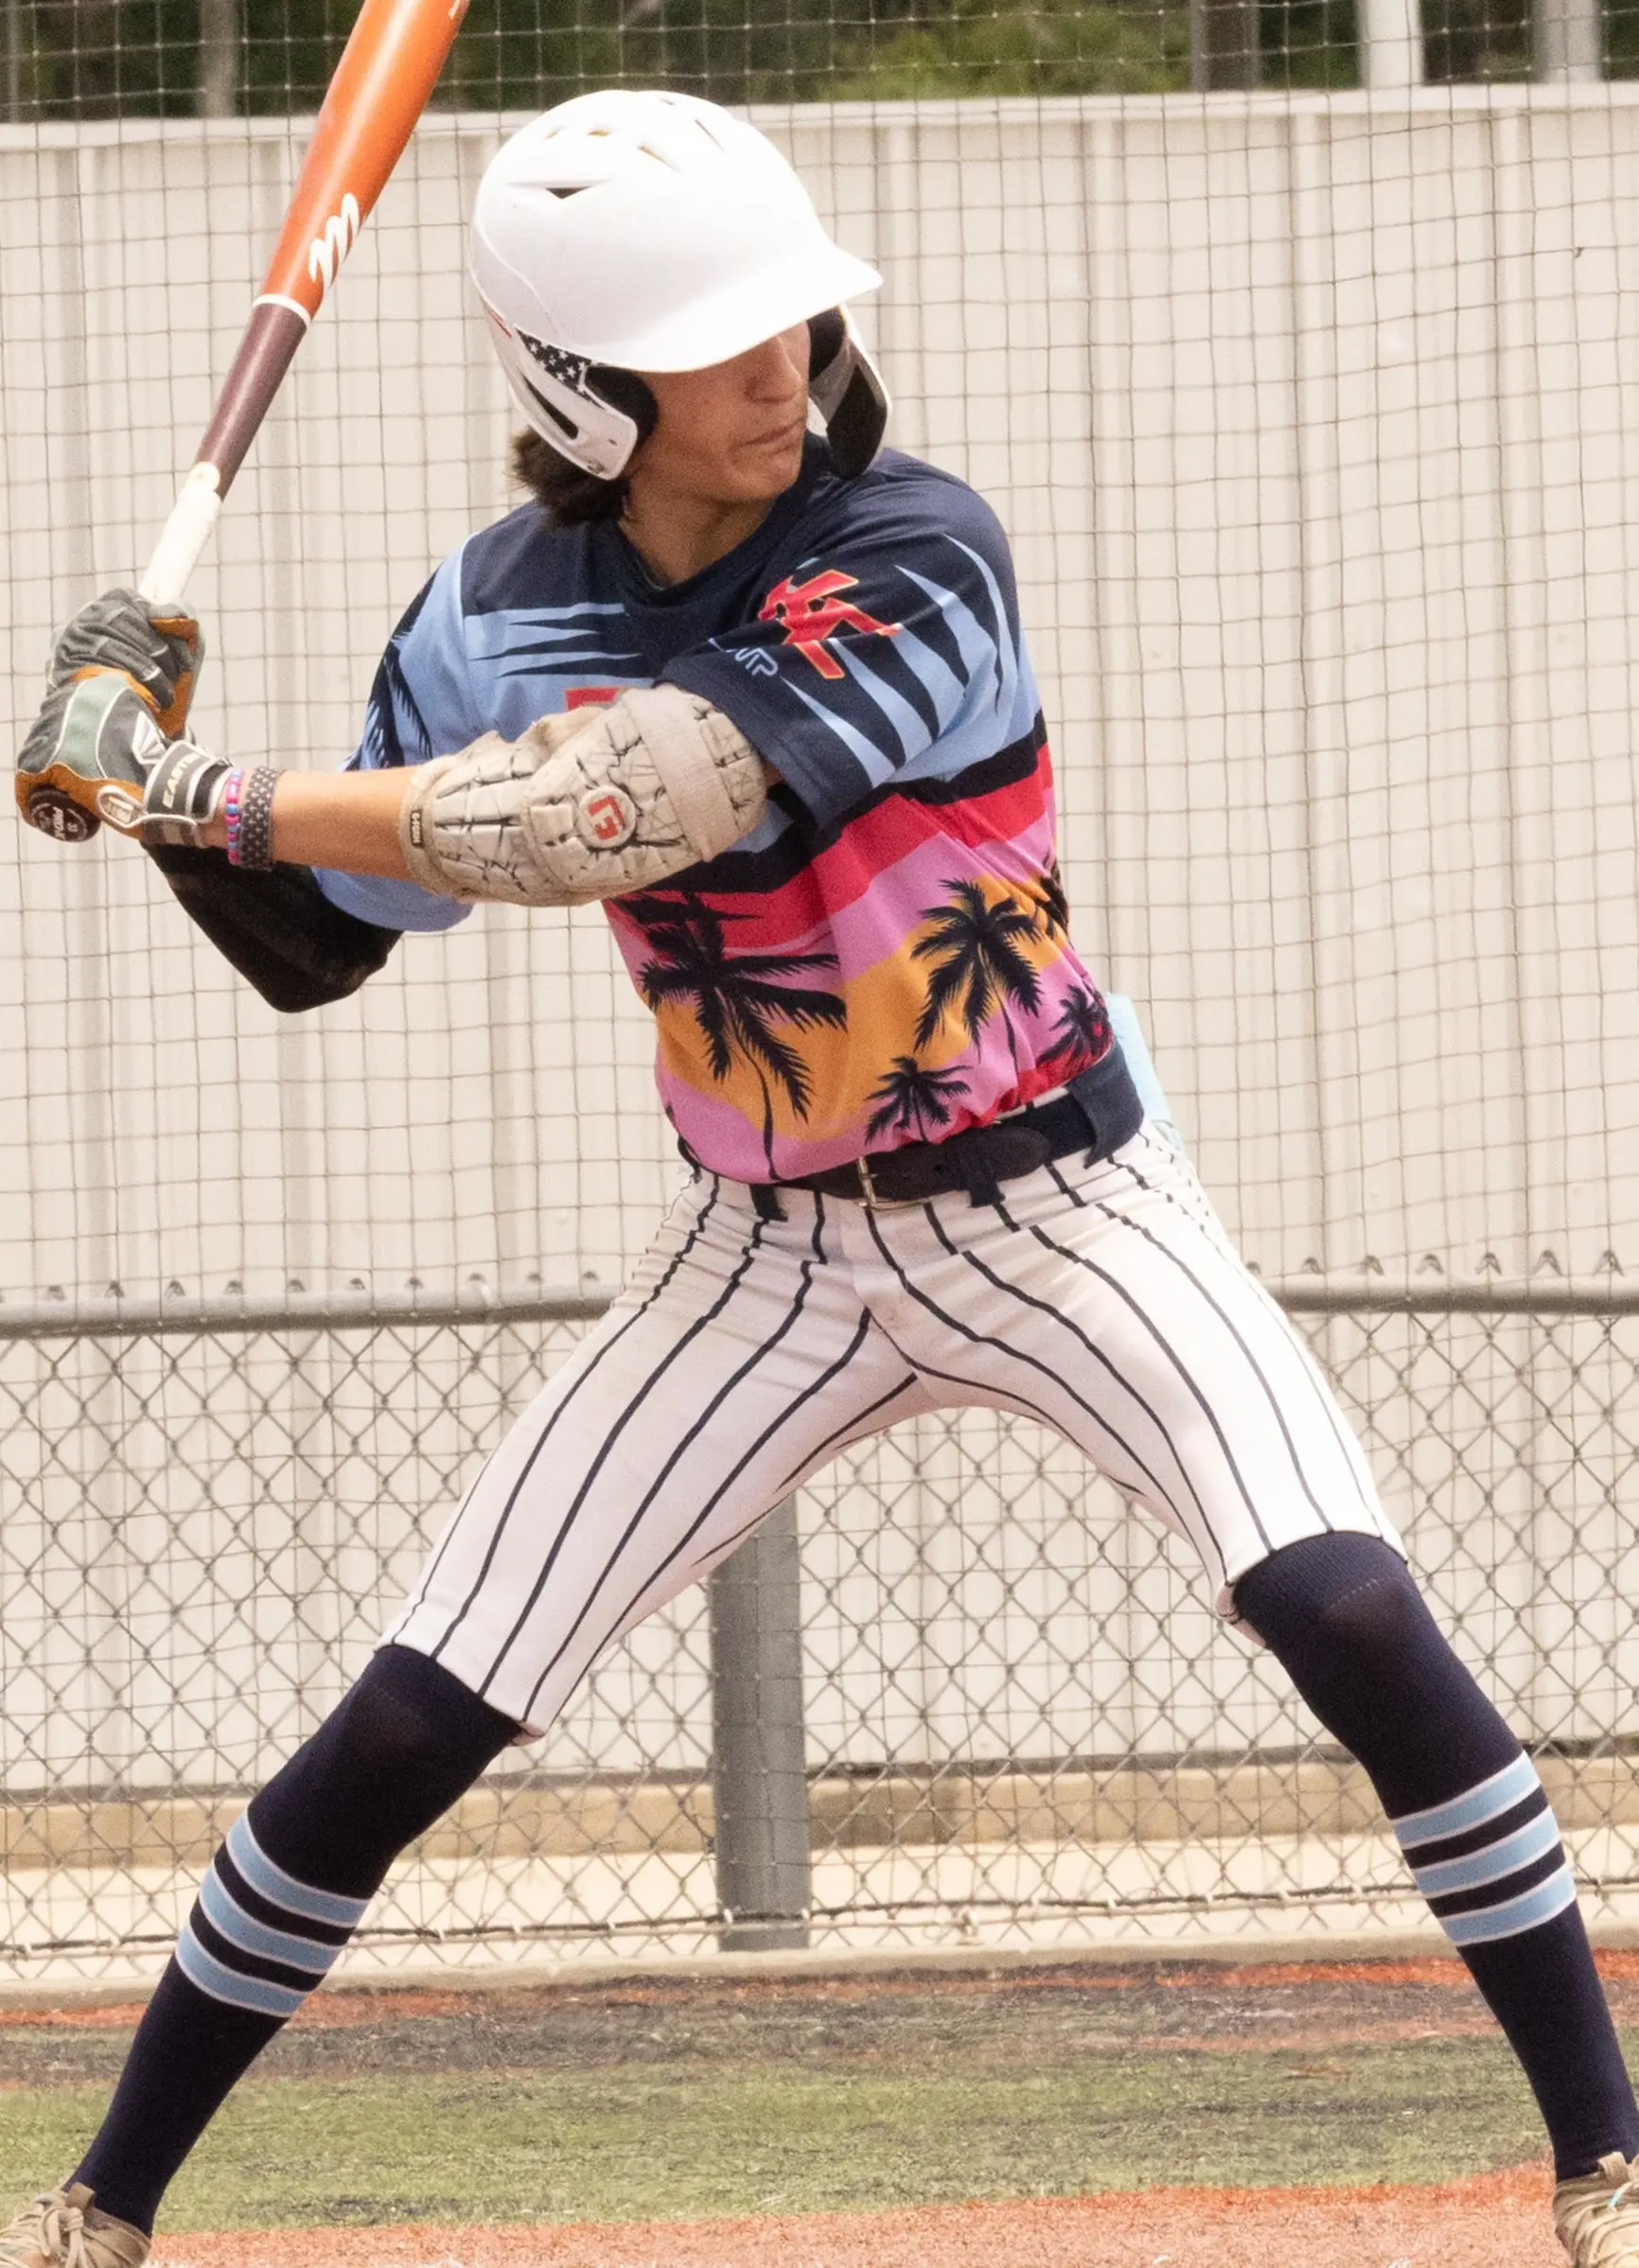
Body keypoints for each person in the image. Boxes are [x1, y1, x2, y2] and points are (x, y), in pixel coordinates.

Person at [9, 87, 1638, 2268]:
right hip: (756, 1259)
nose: (780, 362)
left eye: (788, 315)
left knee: (1339, 1602)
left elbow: (592, 816)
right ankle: (101, 2208)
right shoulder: (486, 615)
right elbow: (331, 938)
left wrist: (199, 780)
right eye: (716, 339)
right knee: (410, 1710)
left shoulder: (916, 549)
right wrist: (126, 786)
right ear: (579, 392)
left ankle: (1606, 2163)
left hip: (1063, 1205)